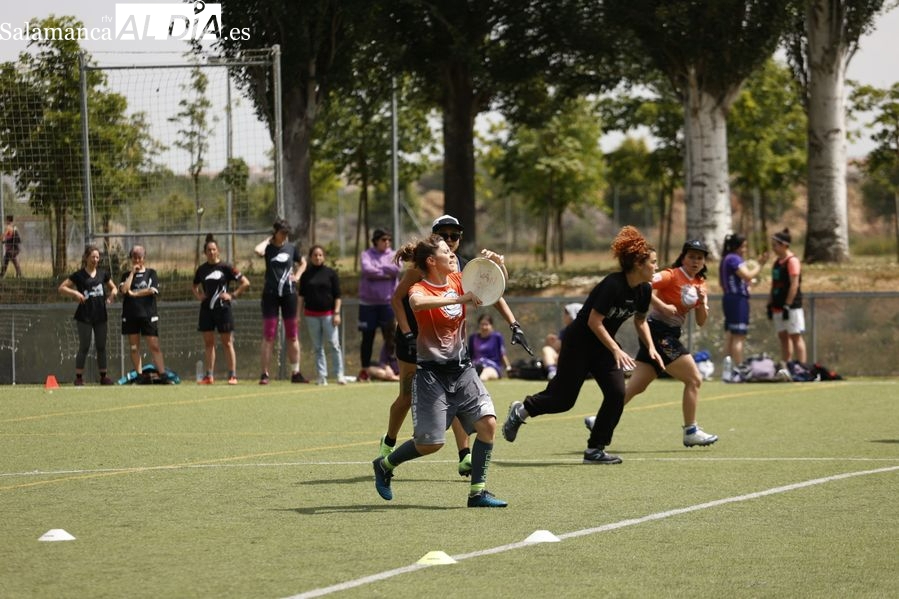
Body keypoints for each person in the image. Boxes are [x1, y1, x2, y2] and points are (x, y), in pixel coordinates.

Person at [378, 214, 531, 477]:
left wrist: (514, 323)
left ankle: (465, 456)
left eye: (455, 236)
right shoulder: (423, 267)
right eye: (444, 236)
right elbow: (398, 300)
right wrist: (405, 333)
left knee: (459, 399)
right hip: (416, 341)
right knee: (406, 396)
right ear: (434, 238)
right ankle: (388, 443)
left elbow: (492, 289)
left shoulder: (459, 268)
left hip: (448, 346)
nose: (450, 240)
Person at [501, 226, 662, 465]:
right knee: (562, 401)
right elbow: (594, 321)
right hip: (579, 344)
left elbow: (640, 320)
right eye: (654, 262)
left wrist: (650, 347)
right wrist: (616, 349)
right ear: (638, 264)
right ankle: (522, 410)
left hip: (604, 347)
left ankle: (595, 449)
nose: (657, 267)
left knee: (617, 393)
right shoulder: (612, 285)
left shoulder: (644, 290)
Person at [372, 234, 508, 507]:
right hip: (432, 376)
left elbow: (493, 288)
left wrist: (497, 266)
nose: (452, 254)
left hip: (462, 369)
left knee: (488, 424)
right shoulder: (419, 288)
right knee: (431, 444)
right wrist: (459, 299)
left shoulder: (459, 280)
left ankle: (477, 493)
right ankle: (385, 464)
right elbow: (417, 305)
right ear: (432, 261)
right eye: (446, 251)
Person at [594, 240, 718, 447]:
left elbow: (701, 321)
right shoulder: (671, 275)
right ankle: (691, 431)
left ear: (704, 262)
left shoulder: (699, 285)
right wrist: (663, 306)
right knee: (694, 379)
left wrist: (702, 303)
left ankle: (599, 420)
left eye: (700, 257)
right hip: (657, 332)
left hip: (669, 334)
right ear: (683, 257)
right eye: (691, 256)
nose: (695, 261)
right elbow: (643, 284)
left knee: (636, 387)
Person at [255, 219, 309, 384]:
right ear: (276, 232)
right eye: (282, 232)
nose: (285, 236)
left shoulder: (291, 248)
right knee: (269, 335)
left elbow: (303, 262)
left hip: (289, 294)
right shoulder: (269, 248)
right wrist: (268, 240)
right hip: (271, 294)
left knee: (292, 335)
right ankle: (264, 374)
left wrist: (298, 276)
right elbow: (257, 251)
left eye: (287, 233)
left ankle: (296, 372)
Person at [193, 234, 250, 385]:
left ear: (218, 251)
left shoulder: (226, 267)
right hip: (206, 310)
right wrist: (199, 296)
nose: (211, 252)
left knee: (227, 342)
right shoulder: (202, 269)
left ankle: (232, 375)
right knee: (209, 343)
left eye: (214, 249)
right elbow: (194, 285)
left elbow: (245, 282)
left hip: (223, 310)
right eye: (209, 250)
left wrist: (233, 295)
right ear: (205, 252)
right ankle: (209, 376)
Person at [58, 245, 118, 386]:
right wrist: (75, 293)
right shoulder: (79, 275)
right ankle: (79, 377)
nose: (95, 259)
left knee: (101, 346)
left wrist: (112, 296)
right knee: (84, 346)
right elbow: (61, 288)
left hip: (100, 316)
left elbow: (114, 287)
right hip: (84, 316)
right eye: (93, 257)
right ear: (86, 258)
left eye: (97, 257)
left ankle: (103, 376)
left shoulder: (103, 274)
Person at [119, 245, 170, 382]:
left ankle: (163, 374)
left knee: (154, 346)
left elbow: (152, 290)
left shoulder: (151, 273)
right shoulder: (125, 275)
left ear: (144, 258)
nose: (137, 260)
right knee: (134, 347)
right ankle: (139, 375)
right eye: (134, 257)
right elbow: (124, 290)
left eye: (139, 257)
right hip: (131, 316)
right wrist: (132, 274)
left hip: (148, 315)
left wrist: (135, 294)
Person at [719, 233, 768, 371]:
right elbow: (747, 275)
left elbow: (726, 281)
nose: (745, 249)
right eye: (744, 246)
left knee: (730, 335)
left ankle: (727, 369)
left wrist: (747, 286)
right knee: (739, 335)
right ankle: (740, 368)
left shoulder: (725, 259)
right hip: (737, 300)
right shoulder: (734, 259)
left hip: (729, 298)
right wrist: (760, 264)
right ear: (736, 246)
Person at [298, 244, 346, 386]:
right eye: (315, 255)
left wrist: (336, 313)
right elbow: (301, 297)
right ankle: (322, 376)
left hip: (328, 315)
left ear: (323, 257)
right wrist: (297, 315)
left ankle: (339, 374)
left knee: (334, 344)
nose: (318, 257)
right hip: (311, 316)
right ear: (311, 257)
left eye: (320, 255)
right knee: (317, 347)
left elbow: (337, 296)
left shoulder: (331, 273)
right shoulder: (306, 275)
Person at [357, 228, 399, 382]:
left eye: (389, 239)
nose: (387, 242)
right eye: (383, 240)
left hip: (388, 303)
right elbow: (368, 270)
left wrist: (379, 270)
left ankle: (391, 368)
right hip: (368, 304)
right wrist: (386, 272)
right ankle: (365, 371)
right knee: (367, 337)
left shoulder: (394, 255)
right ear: (375, 241)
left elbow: (396, 269)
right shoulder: (366, 255)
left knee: (391, 337)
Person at [768, 228, 807, 363]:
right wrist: (770, 303)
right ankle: (787, 365)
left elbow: (794, 284)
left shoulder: (792, 261)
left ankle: (801, 366)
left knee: (795, 335)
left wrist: (787, 305)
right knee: (783, 337)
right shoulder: (777, 263)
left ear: (784, 245)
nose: (773, 248)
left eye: (775, 245)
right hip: (777, 305)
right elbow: (774, 285)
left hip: (790, 306)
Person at [541, 302, 582, 380]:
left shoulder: (569, 330)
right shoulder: (567, 331)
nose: (564, 316)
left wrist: (550, 342)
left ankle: (552, 372)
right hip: (570, 360)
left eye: (566, 313)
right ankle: (553, 372)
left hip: (574, 361)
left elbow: (555, 347)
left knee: (547, 350)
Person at [468, 313, 512, 381]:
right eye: (482, 324)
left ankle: (479, 379)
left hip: (492, 367)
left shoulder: (497, 337)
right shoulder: (473, 338)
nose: (484, 327)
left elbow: (502, 354)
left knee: (484, 376)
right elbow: (470, 356)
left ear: (491, 326)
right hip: (476, 365)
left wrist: (508, 368)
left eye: (486, 324)